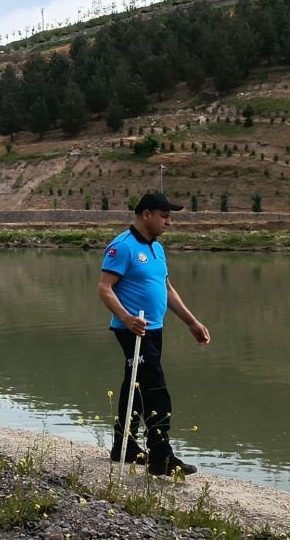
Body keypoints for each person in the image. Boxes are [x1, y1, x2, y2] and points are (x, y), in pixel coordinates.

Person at [97, 192, 211, 477]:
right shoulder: (122, 247)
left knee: (134, 384)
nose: (168, 222)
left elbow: (167, 290)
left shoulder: (158, 250)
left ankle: (125, 445)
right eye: (164, 216)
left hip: (155, 329)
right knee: (154, 386)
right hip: (134, 331)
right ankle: (161, 456)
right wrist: (126, 317)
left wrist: (191, 322)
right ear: (146, 214)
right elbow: (104, 288)